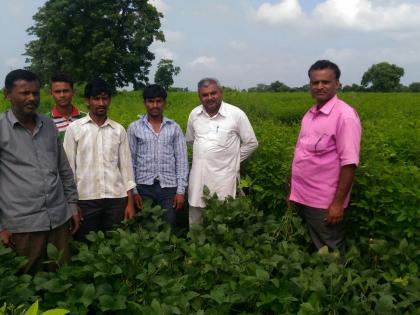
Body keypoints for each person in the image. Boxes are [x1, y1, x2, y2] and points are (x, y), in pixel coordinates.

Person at [0, 69, 80, 274]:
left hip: (58, 221)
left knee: (62, 278)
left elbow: (63, 169)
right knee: (27, 284)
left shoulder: (48, 124)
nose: (31, 98)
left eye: (35, 93)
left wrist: (72, 205)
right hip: (22, 226)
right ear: (7, 95)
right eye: (24, 93)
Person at [289, 60, 362, 253]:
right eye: (315, 83)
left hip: (324, 202)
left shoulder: (344, 116)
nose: (320, 86)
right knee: (313, 247)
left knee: (331, 250)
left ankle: (336, 283)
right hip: (303, 196)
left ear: (337, 84)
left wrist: (337, 204)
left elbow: (349, 164)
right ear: (309, 86)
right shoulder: (310, 114)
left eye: (326, 82)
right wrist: (292, 192)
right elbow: (303, 156)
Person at [63, 78, 136, 241]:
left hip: (116, 199)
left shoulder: (118, 130)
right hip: (85, 200)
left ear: (109, 100)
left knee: (115, 245)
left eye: (105, 98)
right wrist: (72, 204)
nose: (101, 103)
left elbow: (126, 168)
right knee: (86, 245)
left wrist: (130, 203)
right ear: (87, 101)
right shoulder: (74, 129)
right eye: (96, 98)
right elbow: (69, 169)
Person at [186, 78, 258, 224]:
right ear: (199, 97)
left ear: (221, 93)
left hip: (224, 179)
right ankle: (196, 245)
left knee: (222, 219)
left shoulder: (235, 114)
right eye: (205, 95)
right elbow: (190, 140)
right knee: (196, 218)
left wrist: (233, 159)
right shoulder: (194, 114)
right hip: (198, 178)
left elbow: (251, 143)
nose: (210, 98)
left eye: (213, 93)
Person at [127, 84, 188, 228]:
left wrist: (180, 191)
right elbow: (129, 161)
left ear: (164, 103)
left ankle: (169, 250)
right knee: (145, 227)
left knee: (168, 226)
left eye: (159, 101)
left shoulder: (174, 128)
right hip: (143, 188)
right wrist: (134, 191)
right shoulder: (134, 128)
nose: (155, 105)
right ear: (145, 103)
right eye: (150, 101)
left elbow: (182, 160)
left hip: (169, 188)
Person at [47, 73, 86, 142]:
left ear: (73, 92)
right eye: (57, 92)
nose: (62, 95)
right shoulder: (44, 121)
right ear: (51, 93)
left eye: (65, 91)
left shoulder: (86, 118)